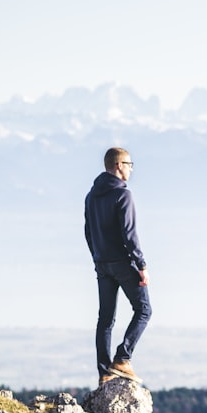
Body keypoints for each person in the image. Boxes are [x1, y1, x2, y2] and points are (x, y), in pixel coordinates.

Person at [84, 147, 152, 385]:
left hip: (102, 264)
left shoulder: (91, 196)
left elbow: (88, 232)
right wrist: (141, 265)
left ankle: (105, 372)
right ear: (118, 165)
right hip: (123, 262)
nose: (131, 169)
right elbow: (129, 234)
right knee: (144, 310)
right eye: (129, 164)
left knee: (105, 319)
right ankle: (123, 358)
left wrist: (97, 257)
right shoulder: (124, 195)